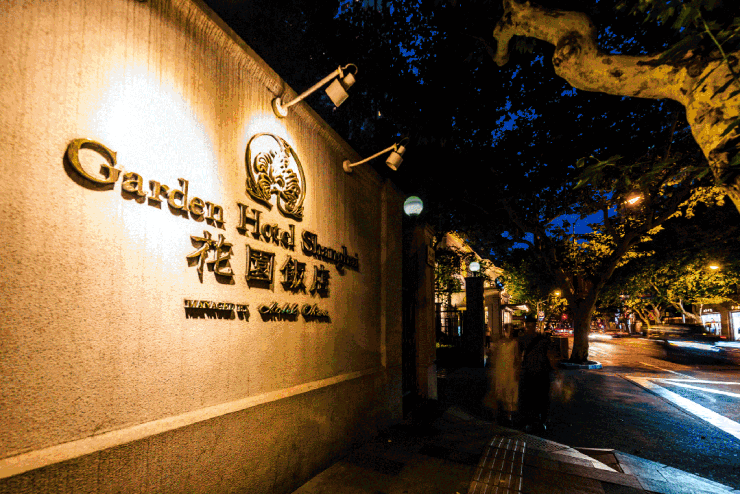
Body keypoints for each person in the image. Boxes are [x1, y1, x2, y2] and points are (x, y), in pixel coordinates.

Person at [518, 332, 555, 432]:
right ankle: (541, 421)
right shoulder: (544, 341)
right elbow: (551, 357)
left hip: (531, 373)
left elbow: (520, 357)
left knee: (531, 398)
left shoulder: (525, 339)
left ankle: (533, 420)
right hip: (541, 373)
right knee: (542, 398)